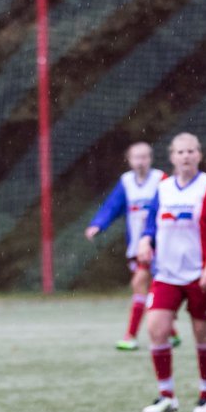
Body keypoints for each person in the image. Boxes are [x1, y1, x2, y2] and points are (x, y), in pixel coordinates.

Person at [136, 133, 206, 412]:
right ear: (172, 157)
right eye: (180, 152)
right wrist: (145, 240)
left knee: (203, 333)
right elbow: (151, 224)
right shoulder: (163, 189)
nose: (186, 156)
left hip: (200, 274)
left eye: (191, 151)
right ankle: (166, 396)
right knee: (156, 328)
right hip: (166, 274)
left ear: (199, 155)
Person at [84, 142, 175, 350]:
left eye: (144, 157)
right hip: (135, 246)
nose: (141, 161)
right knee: (154, 289)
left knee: (140, 285)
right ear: (129, 160)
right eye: (136, 157)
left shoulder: (161, 180)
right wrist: (98, 224)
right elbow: (112, 206)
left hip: (158, 245)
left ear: (150, 159)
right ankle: (170, 330)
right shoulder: (126, 182)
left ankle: (130, 336)